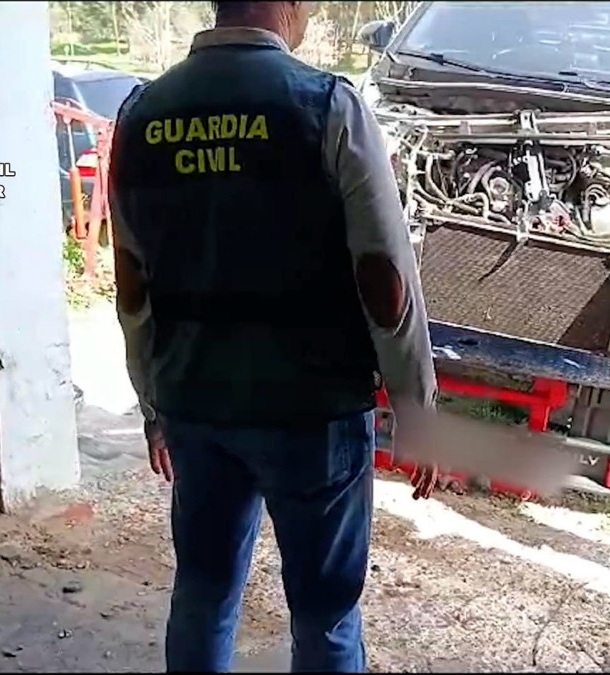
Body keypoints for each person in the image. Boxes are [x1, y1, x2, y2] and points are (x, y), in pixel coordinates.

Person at [106, 2, 440, 671]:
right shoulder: (327, 107)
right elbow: (386, 281)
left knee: (202, 594)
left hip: (197, 406)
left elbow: (133, 288)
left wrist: (153, 408)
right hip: (311, 413)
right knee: (325, 613)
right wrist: (416, 407)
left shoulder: (140, 117)